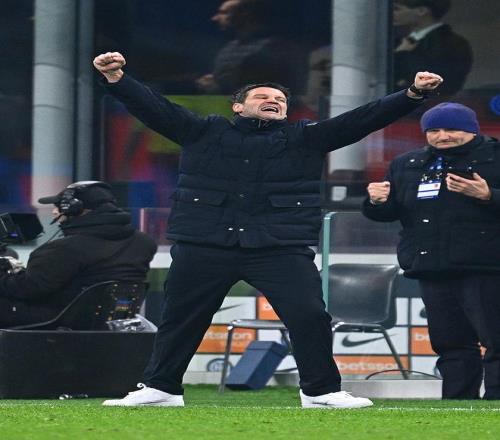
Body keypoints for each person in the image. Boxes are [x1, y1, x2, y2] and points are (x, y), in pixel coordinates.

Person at [93, 50, 442, 408]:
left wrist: (411, 94)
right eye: (262, 96)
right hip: (205, 241)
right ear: (238, 107)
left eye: (280, 99)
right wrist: (118, 79)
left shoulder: (306, 137)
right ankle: (161, 388)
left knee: (309, 315)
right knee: (180, 318)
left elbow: (361, 120)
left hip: (279, 245)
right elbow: (155, 108)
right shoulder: (203, 131)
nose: (272, 101)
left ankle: (320, 391)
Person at [362, 102, 500, 400]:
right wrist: (376, 202)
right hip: (431, 265)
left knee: (496, 339)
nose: (442, 136)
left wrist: (489, 195)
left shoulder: (496, 157)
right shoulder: (408, 163)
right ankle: (457, 402)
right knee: (450, 342)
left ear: (472, 130)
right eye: (434, 130)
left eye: (451, 129)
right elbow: (389, 213)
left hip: (487, 266)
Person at [0, 181, 157, 327]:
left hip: (60, 318)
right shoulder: (143, 242)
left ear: (74, 209)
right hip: (106, 319)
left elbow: (27, 289)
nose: (54, 212)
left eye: (58, 207)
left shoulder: (65, 249)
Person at [195, 0, 307, 94]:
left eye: (224, 13)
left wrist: (220, 89)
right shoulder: (228, 48)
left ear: (245, 14)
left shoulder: (276, 49)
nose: (215, 18)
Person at [393, 0, 473, 96]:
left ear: (421, 11)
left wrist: (402, 54)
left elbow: (438, 82)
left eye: (397, 9)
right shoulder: (399, 40)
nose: (393, 13)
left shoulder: (451, 43)